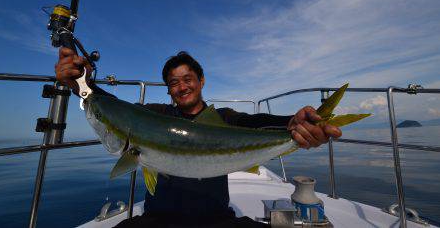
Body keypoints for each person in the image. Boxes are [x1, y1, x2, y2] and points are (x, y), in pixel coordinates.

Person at [55, 48, 342, 228]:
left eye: (187, 78)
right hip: (160, 220)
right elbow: (117, 109)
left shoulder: (224, 119)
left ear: (202, 81)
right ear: (168, 91)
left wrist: (293, 125)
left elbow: (256, 123)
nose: (181, 87)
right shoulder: (156, 117)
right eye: (173, 83)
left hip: (216, 219)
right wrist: (83, 83)